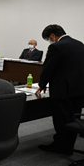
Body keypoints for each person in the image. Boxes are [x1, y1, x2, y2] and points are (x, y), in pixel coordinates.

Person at [36, 24, 84, 156]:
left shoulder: (56, 46)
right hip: (79, 89)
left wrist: (42, 84)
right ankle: (69, 146)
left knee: (61, 119)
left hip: (62, 90)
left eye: (48, 38)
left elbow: (48, 68)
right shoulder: (80, 44)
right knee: (74, 119)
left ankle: (61, 146)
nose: (49, 41)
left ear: (52, 35)